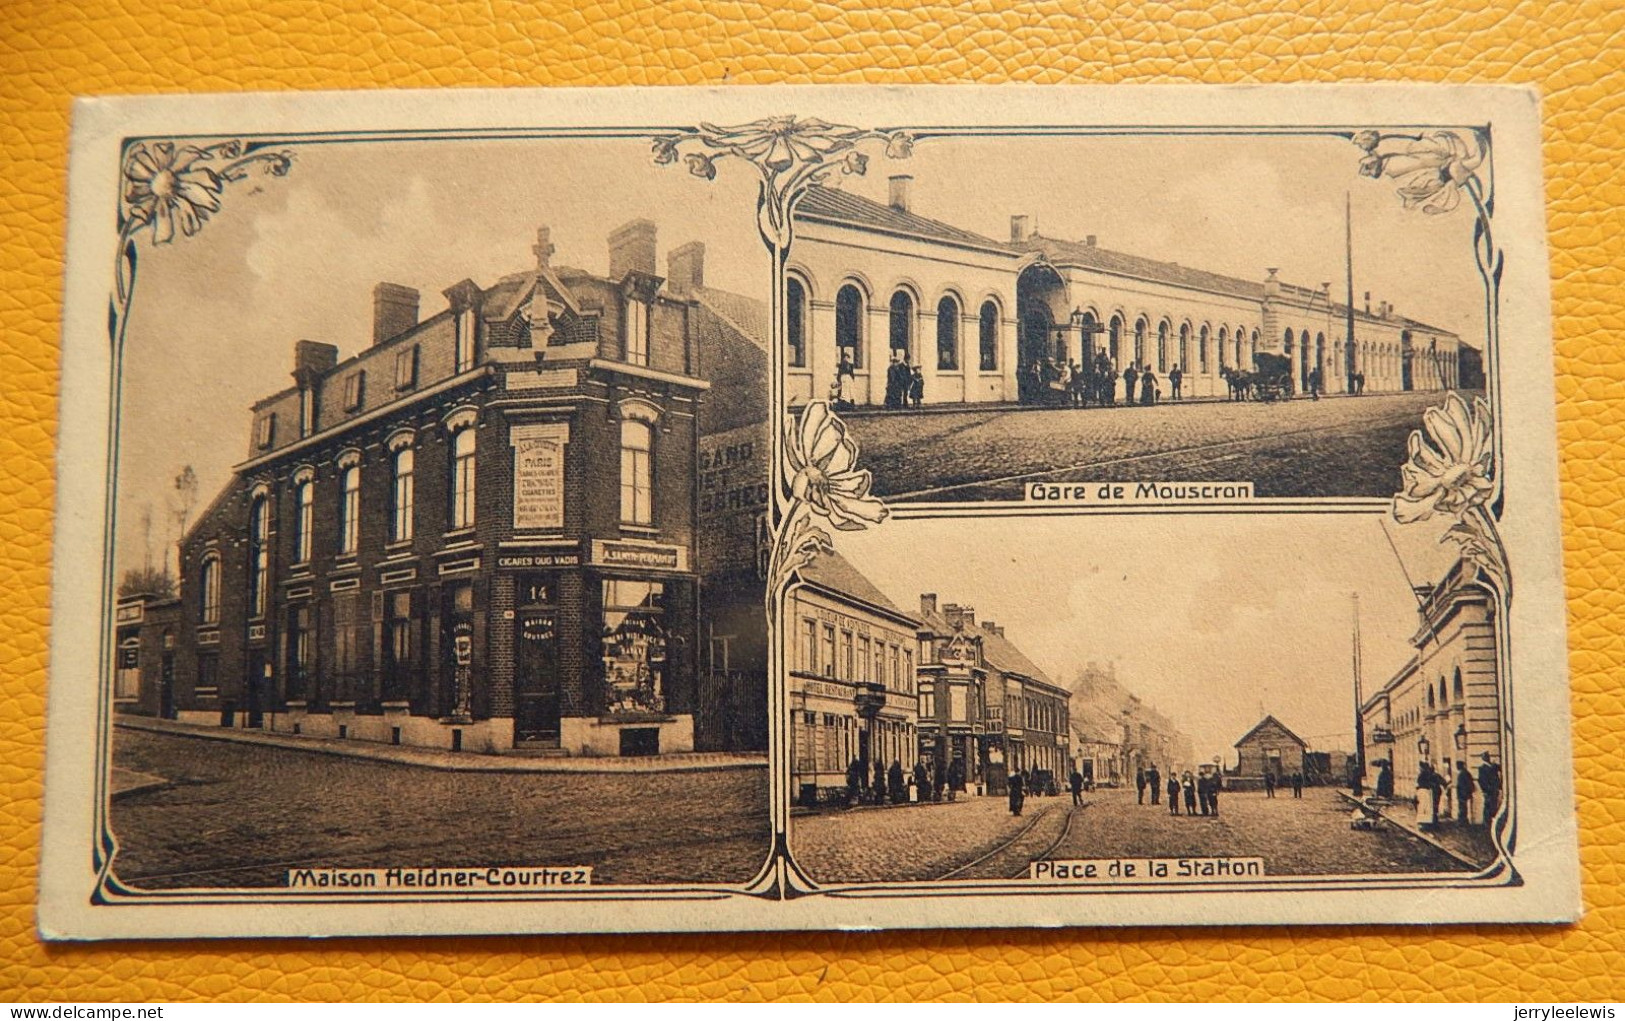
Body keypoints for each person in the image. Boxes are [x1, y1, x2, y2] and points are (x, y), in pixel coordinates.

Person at [1477, 752, 1503, 826]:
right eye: (1485, 757)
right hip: (1488, 791)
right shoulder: (1482, 768)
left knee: (1494, 805)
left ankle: (1492, 821)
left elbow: (1499, 768)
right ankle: (1487, 822)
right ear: (1483, 758)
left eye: (1488, 756)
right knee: (1488, 806)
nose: (1487, 758)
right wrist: (1485, 790)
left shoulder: (1493, 766)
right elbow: (1481, 781)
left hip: (1494, 790)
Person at [1455, 761, 1476, 825]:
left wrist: (1465, 793)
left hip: (1463, 794)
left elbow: (1466, 784)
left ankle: (1462, 821)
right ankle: (1463, 821)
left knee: (1462, 808)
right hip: (1463, 794)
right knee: (1463, 808)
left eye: (1457, 765)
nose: (1457, 767)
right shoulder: (1465, 773)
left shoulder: (1463, 773)